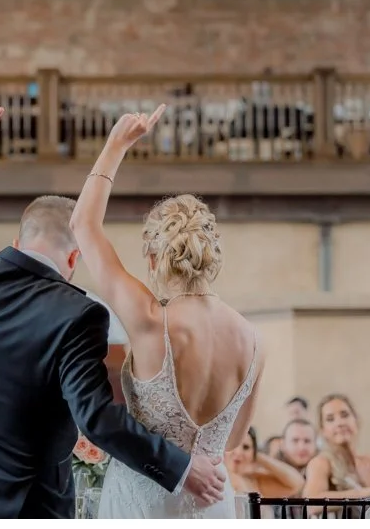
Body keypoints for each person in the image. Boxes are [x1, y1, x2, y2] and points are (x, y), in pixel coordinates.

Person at [0, 97, 224, 518]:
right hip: (29, 510)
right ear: (74, 259)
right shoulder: (78, 315)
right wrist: (182, 468)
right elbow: (96, 418)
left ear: (19, 241)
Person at [71, 104, 262, 519]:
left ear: (154, 258)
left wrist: (115, 145)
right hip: (213, 501)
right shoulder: (251, 337)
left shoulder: (148, 319)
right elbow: (233, 440)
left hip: (143, 501)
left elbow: (83, 225)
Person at [227, 427, 304, 498]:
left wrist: (259, 457)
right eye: (233, 445)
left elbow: (297, 484)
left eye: (246, 447)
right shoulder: (216, 478)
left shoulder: (256, 481)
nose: (238, 452)